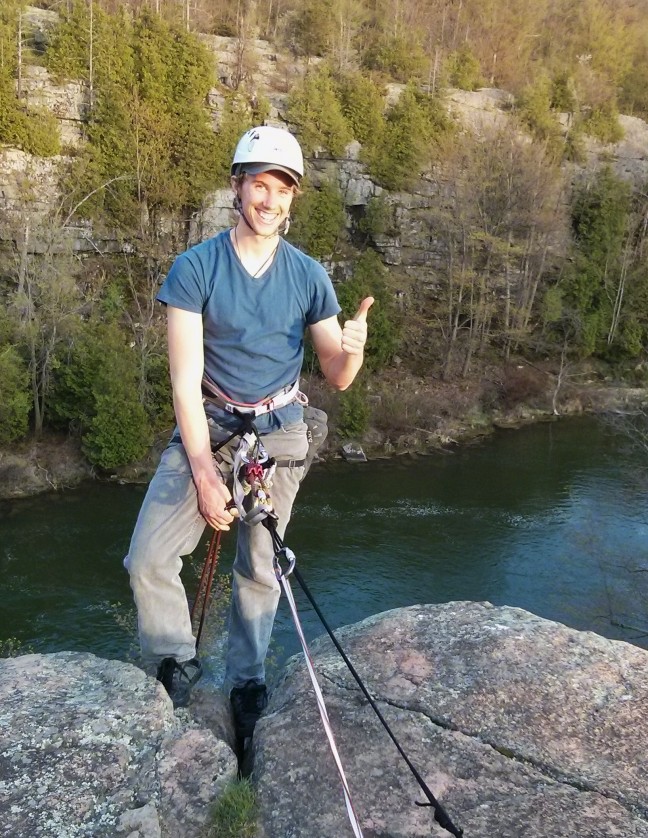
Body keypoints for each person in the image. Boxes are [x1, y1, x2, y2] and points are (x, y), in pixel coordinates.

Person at [124, 125, 373, 739]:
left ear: (292, 199)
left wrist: (354, 351)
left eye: (282, 189)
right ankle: (175, 662)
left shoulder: (309, 276)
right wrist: (206, 474)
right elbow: (184, 381)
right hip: (208, 420)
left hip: (279, 431)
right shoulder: (196, 268)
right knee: (149, 557)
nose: (270, 200)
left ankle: (247, 680)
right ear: (237, 187)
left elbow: (335, 375)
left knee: (261, 565)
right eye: (259, 185)